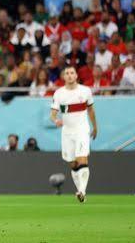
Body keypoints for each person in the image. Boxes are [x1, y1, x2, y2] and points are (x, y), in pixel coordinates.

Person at [50, 66, 99, 203]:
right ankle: (80, 192)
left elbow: (91, 111)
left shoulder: (85, 91)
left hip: (82, 129)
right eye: (67, 73)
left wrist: (95, 127)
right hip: (67, 132)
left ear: (76, 75)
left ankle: (82, 190)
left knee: (82, 159)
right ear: (63, 77)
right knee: (73, 163)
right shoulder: (59, 93)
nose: (70, 75)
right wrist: (56, 120)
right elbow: (52, 114)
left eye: (72, 73)